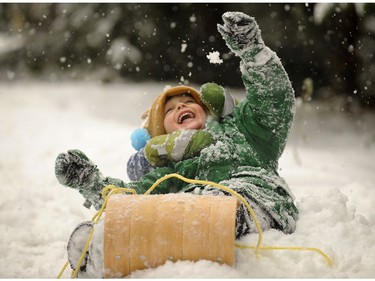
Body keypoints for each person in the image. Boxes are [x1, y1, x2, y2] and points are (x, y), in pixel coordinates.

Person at [55, 11, 299, 277]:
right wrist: (89, 181)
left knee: (198, 211)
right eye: (169, 110)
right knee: (156, 212)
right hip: (197, 210)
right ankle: (102, 248)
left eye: (188, 101)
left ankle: (216, 221)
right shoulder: (174, 170)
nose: (181, 105)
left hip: (259, 200)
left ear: (206, 109)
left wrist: (253, 52)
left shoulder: (244, 129)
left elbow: (273, 102)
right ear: (161, 135)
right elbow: (130, 195)